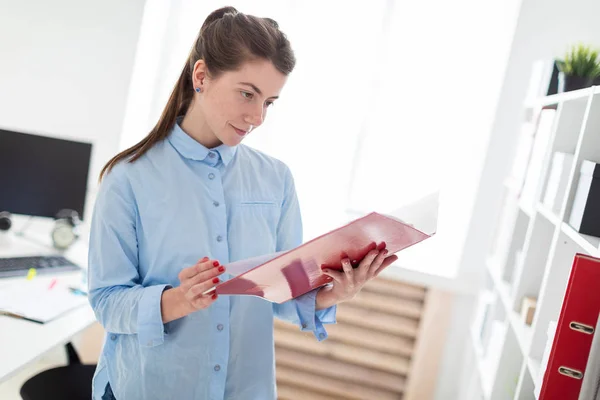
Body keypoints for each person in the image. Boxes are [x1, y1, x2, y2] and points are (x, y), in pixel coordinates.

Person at [88, 6, 398, 400]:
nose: (257, 116)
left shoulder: (277, 179)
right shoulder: (128, 178)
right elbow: (107, 301)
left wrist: (330, 294)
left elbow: (284, 289)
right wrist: (176, 300)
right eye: (247, 94)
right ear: (201, 76)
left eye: (269, 101)